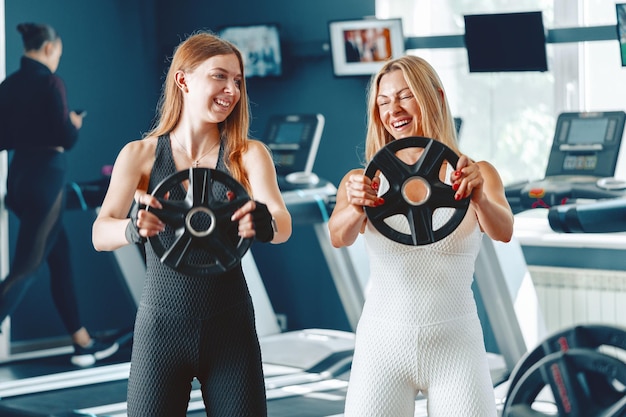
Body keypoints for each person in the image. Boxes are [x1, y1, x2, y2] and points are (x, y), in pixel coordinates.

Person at [92, 31, 292, 417]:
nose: (231, 90)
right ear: (183, 80)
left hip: (230, 330)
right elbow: (101, 232)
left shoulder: (248, 155)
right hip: (160, 332)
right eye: (219, 76)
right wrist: (132, 228)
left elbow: (281, 225)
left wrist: (263, 220)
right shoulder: (140, 156)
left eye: (237, 81)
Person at [328, 55, 514, 417]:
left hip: (456, 345)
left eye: (404, 96)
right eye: (383, 102)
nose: (393, 109)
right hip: (382, 346)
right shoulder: (362, 180)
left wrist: (479, 199)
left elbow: (503, 230)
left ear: (436, 97)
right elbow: (339, 237)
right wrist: (356, 206)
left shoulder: (476, 172)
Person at [0, 22, 118, 367]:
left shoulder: (7, 85)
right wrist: (73, 124)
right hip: (45, 179)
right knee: (27, 267)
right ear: (50, 48)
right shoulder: (52, 82)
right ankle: (81, 342)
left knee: (59, 256)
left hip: (18, 180)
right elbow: (66, 138)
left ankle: (82, 342)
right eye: (59, 54)